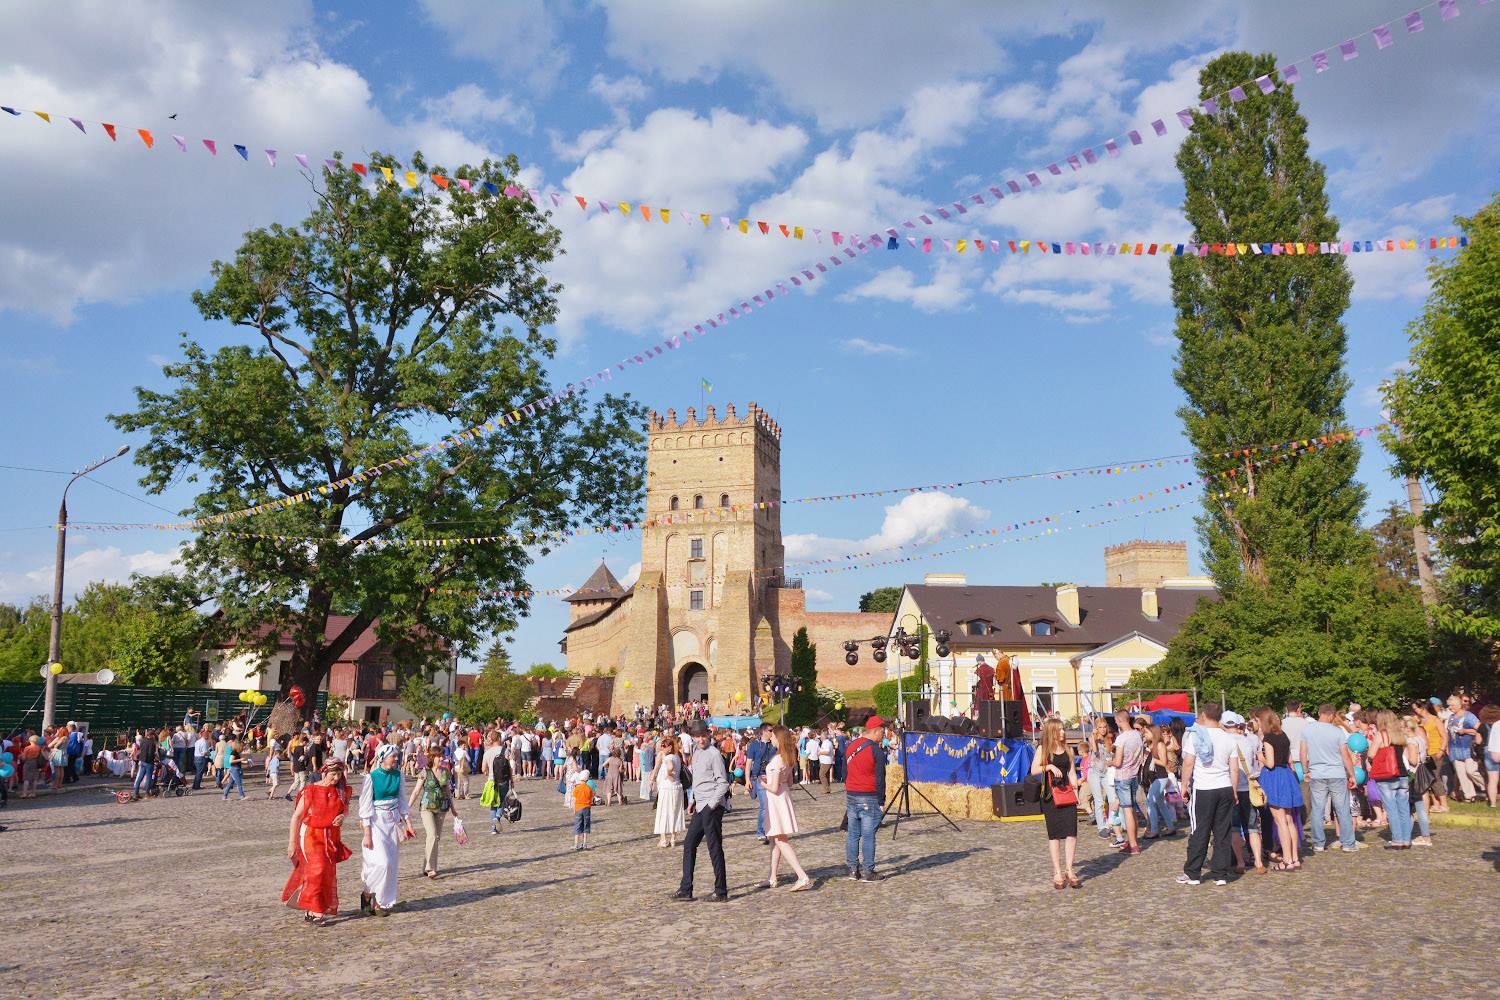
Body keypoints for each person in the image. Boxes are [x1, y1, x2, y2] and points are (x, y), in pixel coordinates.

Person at [1177, 702, 1239, 887]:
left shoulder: (1195, 737)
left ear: (1203, 715)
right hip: (1225, 787)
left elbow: (1188, 763)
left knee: (1199, 831)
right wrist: (1234, 791)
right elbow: (1234, 768)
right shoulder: (1229, 738)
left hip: (1204, 788)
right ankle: (1220, 873)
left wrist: (1184, 785)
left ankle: (1193, 873)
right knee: (1222, 832)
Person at [283, 760, 352, 926]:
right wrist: (292, 842)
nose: (336, 778)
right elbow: (297, 817)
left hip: (331, 836)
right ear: (324, 772)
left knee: (326, 873)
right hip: (311, 835)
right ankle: (316, 910)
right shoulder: (311, 790)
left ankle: (312, 909)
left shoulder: (342, 791)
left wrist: (343, 816)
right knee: (317, 870)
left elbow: (345, 809)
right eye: (333, 774)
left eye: (339, 774)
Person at [671, 720, 730, 902]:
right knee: (689, 844)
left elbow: (723, 783)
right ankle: (686, 888)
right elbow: (698, 779)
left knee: (714, 848)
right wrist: (694, 800)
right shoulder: (696, 752)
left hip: (711, 807)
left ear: (708, 735)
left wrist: (711, 804)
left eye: (703, 735)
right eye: (697, 736)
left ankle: (721, 891)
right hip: (700, 804)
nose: (701, 739)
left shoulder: (714, 755)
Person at [359, 743, 410, 916]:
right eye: (393, 756)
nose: (396, 759)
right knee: (382, 863)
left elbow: (402, 800)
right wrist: (367, 832)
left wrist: (407, 822)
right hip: (376, 822)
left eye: (397, 755)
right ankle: (367, 893)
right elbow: (365, 805)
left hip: (392, 822)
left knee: (391, 864)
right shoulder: (371, 777)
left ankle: (380, 903)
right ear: (383, 757)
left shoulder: (399, 776)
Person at [1030, 718, 1082, 889]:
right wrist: (1049, 767)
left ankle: (1069, 869)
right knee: (1054, 835)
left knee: (1071, 833)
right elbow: (1034, 769)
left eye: (1063, 729)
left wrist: (1076, 792)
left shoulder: (1067, 750)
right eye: (1059, 730)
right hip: (1050, 797)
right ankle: (1057, 871)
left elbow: (1072, 772)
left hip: (1067, 795)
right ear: (1052, 731)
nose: (1063, 732)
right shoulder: (1043, 749)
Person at [1300, 704, 1359, 853]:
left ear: (1319, 713)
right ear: (1332, 715)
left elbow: (1303, 753)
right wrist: (1352, 774)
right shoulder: (1337, 731)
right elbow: (1345, 756)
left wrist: (1306, 770)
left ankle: (1318, 843)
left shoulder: (1307, 730)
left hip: (1317, 773)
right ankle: (1348, 843)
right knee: (1342, 809)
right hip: (1336, 773)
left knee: (1318, 810)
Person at [761, 725, 812, 891]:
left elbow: (774, 788)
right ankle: (772, 877)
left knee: (780, 840)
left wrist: (762, 783)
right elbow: (789, 782)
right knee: (775, 839)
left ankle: (802, 875)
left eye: (774, 736)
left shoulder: (777, 759)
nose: (772, 739)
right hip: (783, 796)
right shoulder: (787, 758)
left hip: (776, 799)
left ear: (778, 738)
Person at [1255, 708, 1302, 871]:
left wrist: (1260, 756)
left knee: (1280, 820)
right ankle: (1295, 858)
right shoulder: (1284, 736)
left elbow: (1270, 763)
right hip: (1286, 775)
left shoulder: (1268, 738)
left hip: (1275, 777)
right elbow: (1289, 759)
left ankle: (1287, 860)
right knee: (1289, 820)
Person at [844, 715, 888, 883]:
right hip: (868, 796)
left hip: (852, 795)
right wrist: (881, 801)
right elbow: (880, 778)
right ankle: (868, 871)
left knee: (853, 834)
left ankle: (852, 870)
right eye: (882, 732)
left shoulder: (850, 746)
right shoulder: (875, 750)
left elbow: (844, 771)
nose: (883, 735)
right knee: (869, 835)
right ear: (875, 731)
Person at [1223, 711, 1265, 874]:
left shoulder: (1225, 741)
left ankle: (1240, 862)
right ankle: (1259, 861)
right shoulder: (1249, 741)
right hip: (1248, 788)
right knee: (1253, 827)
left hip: (1231, 788)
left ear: (1225, 725)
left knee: (1234, 827)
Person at [407, 756, 459, 879]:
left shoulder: (445, 772)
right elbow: (416, 791)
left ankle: (426, 866)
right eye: (438, 756)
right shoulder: (425, 772)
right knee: (432, 835)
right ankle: (431, 868)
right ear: (433, 758)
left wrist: (453, 808)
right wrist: (407, 808)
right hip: (427, 807)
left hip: (442, 808)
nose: (441, 758)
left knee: (436, 838)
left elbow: (447, 791)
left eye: (442, 756)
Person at [1368, 710, 1413, 850]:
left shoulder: (1381, 735)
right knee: (1404, 808)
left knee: (1391, 808)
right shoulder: (1401, 735)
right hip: (1403, 775)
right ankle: (1407, 839)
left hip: (1387, 775)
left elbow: (1371, 754)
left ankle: (1397, 840)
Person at [1110, 709, 1144, 856]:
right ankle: (1133, 841)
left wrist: (1108, 762)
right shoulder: (1137, 735)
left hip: (1123, 776)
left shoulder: (1121, 739)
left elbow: (1118, 762)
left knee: (1127, 810)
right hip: (1134, 775)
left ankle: (1134, 845)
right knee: (1132, 811)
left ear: (1119, 721)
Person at [1445, 695, 1482, 802]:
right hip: (1455, 749)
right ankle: (1470, 796)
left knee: (1470, 771)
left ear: (1459, 705)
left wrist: (1465, 731)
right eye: (1449, 705)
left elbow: (1480, 729)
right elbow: (1449, 733)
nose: (1450, 708)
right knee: (1461, 774)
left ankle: (1485, 786)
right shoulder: (1451, 717)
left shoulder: (1469, 716)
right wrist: (1447, 747)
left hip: (1468, 749)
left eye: (1451, 705)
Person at [1142, 724, 1176, 838]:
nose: (1144, 734)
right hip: (1155, 778)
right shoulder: (1150, 745)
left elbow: (1164, 762)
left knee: (1150, 801)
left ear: (1153, 733)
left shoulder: (1160, 745)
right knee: (1160, 803)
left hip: (1161, 777)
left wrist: (1152, 759)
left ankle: (1154, 830)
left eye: (1146, 732)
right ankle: (1171, 827)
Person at [653, 736, 687, 848]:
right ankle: (673, 838)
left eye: (664, 746)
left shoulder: (668, 758)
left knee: (664, 812)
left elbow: (670, 767)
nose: (662, 748)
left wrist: (668, 773)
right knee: (675, 812)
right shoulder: (677, 756)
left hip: (667, 788)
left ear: (670, 747)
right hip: (677, 787)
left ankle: (663, 839)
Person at [572, 771, 594, 850]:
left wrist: (574, 809)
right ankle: (584, 843)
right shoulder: (589, 788)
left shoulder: (577, 788)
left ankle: (576, 844)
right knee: (586, 825)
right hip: (587, 808)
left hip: (578, 808)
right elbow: (591, 798)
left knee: (577, 826)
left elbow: (574, 800)